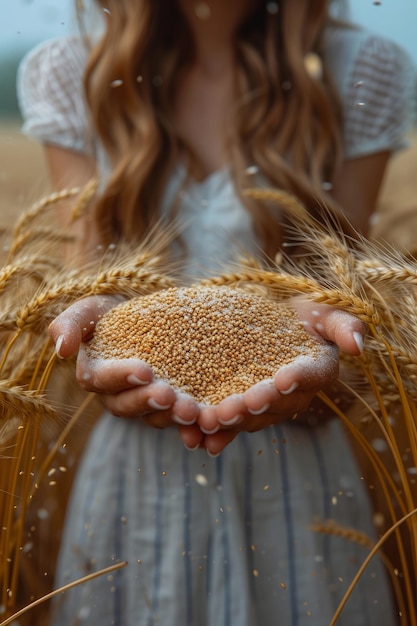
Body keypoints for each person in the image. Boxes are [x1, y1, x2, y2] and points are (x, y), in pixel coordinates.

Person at [17, 0, 415, 624]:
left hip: (300, 471)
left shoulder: (361, 67)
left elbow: (337, 278)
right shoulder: (71, 70)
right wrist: (95, 324)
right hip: (134, 474)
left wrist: (324, 332)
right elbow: (86, 275)